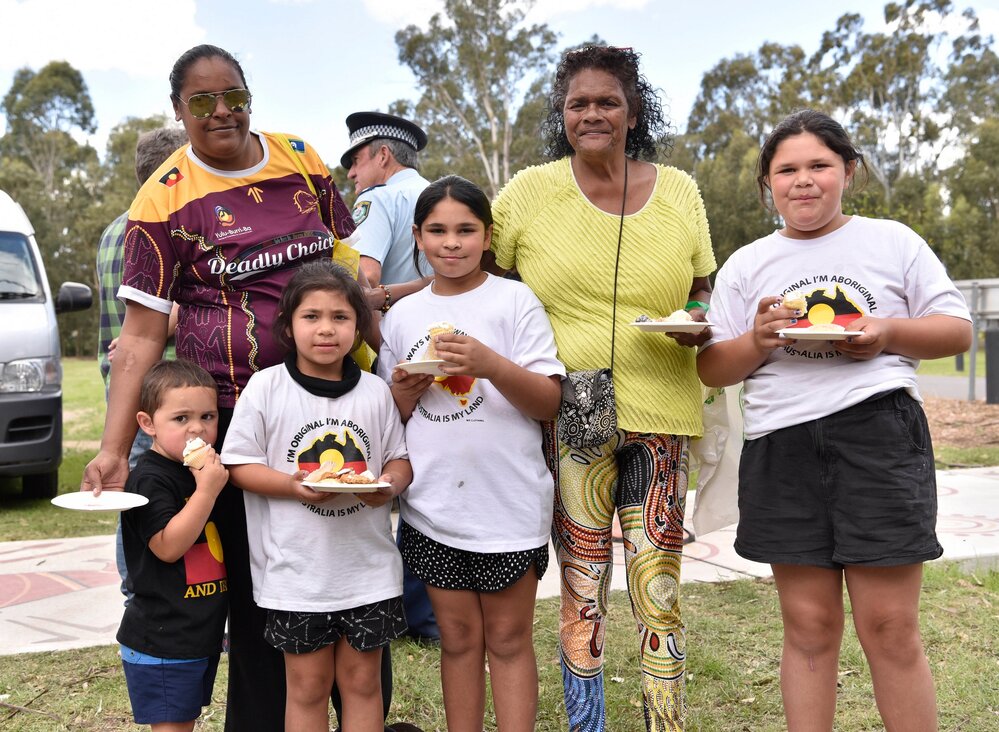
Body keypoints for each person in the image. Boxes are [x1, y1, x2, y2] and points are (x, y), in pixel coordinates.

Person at [81, 44, 401, 732]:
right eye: (201, 101)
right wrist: (113, 448)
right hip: (232, 426)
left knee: (351, 563)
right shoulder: (162, 197)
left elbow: (347, 268)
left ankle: (366, 716)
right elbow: (139, 336)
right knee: (265, 596)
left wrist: (388, 372)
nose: (221, 111)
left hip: (334, 403)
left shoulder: (300, 157)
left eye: (234, 95)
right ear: (178, 110)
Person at [697, 109, 972, 731]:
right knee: (810, 626)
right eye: (786, 170)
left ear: (848, 170)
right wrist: (760, 339)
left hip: (879, 436)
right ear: (767, 184)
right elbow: (713, 368)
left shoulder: (893, 240)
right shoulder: (747, 264)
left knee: (891, 627)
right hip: (782, 449)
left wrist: (888, 332)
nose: (804, 181)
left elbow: (956, 329)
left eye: (819, 165)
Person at [488, 46, 716, 730]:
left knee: (659, 593)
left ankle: (663, 725)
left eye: (606, 102)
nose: (592, 114)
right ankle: (587, 727)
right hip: (570, 417)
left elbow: (702, 292)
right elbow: (480, 282)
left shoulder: (678, 190)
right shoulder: (526, 191)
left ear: (633, 111)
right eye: (577, 103)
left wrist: (697, 324)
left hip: (663, 413)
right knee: (580, 595)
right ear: (561, 115)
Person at [379, 175, 564, 731]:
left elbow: (549, 402)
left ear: (488, 237)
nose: (451, 243)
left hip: (507, 507)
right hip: (434, 508)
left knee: (508, 641)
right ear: (417, 237)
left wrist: (490, 365)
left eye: (466, 230)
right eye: (437, 231)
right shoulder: (401, 316)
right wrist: (403, 396)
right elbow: (390, 420)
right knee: (457, 641)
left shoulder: (514, 300)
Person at [222, 260, 411, 732]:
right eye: (312, 317)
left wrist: (385, 485)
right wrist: (291, 485)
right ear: (288, 326)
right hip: (295, 575)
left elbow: (399, 460)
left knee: (363, 685)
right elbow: (239, 465)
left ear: (358, 326)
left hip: (368, 572)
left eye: (341, 317)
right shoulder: (266, 388)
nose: (326, 329)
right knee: (305, 689)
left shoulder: (375, 392)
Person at [341, 110, 439, 644]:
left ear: (382, 155)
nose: (352, 174)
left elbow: (365, 277)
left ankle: (402, 612)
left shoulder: (379, 200)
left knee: (389, 478)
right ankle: (428, 616)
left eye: (355, 160)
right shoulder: (440, 194)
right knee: (431, 475)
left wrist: (382, 348)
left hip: (400, 356)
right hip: (446, 350)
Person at [97, 125, 187, 605]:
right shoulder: (162, 227)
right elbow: (153, 318)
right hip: (168, 388)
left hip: (123, 389)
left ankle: (135, 590)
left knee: (131, 491)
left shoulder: (113, 230)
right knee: (171, 493)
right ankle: (165, 593)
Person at [117, 358, 229, 732]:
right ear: (148, 424)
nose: (197, 428)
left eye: (208, 417)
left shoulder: (197, 468)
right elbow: (167, 547)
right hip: (161, 641)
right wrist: (208, 490)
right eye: (180, 419)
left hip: (197, 635)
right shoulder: (149, 478)